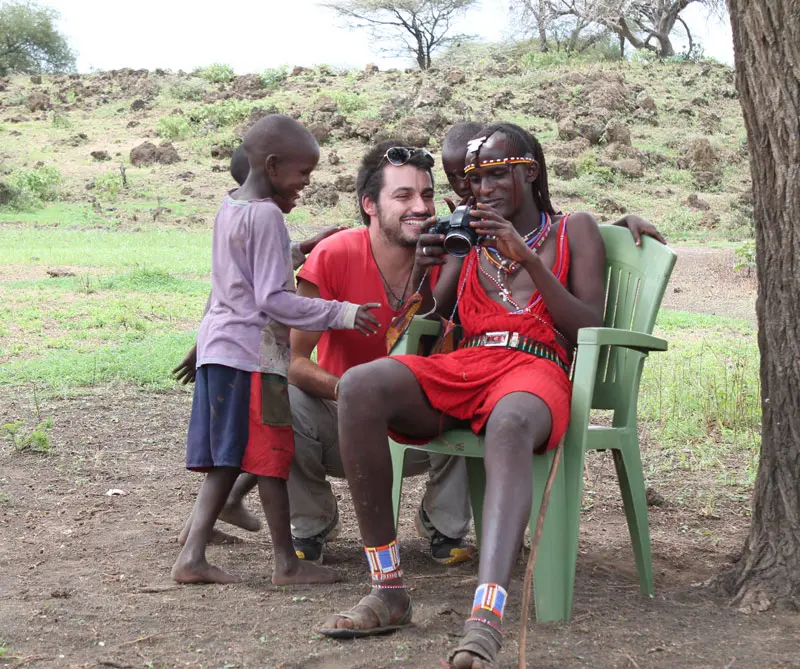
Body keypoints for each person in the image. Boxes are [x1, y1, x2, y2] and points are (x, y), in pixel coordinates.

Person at [318, 122, 622, 668]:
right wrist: (424, 268)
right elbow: (427, 318)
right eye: (475, 180)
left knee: (510, 423)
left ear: (529, 171)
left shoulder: (573, 229)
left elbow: (585, 325)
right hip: (468, 362)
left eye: (497, 175)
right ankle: (387, 589)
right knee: (362, 385)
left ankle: (485, 616)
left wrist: (526, 257)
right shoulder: (467, 236)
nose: (483, 189)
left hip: (537, 367)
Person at [171, 114, 380, 586]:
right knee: (267, 455)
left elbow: (233, 280)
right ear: (271, 165)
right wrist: (341, 313)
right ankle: (284, 564)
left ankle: (199, 557)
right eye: (303, 173)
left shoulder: (232, 208)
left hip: (223, 349)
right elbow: (271, 298)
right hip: (253, 357)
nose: (306, 182)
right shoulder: (265, 214)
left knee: (238, 457)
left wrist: (201, 343)